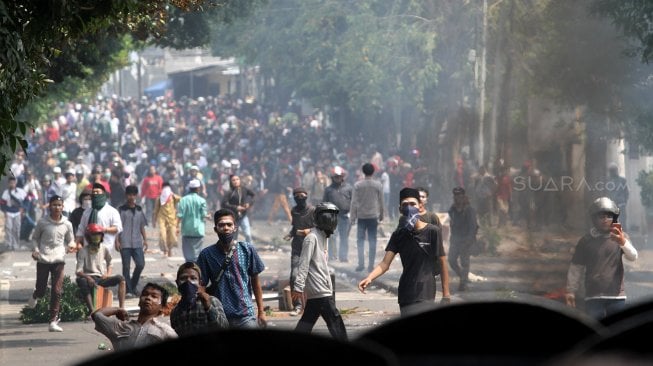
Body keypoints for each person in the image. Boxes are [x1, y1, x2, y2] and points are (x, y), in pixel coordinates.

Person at [358, 187, 450, 317]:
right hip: (405, 293)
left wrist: (446, 294)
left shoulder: (432, 232)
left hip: (425, 291)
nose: (409, 207)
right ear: (400, 209)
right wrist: (369, 278)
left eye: (413, 204)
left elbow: (442, 262)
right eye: (405, 205)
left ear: (420, 206)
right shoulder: (398, 235)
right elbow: (385, 263)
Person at [565, 196, 638, 320]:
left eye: (609, 216)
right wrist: (570, 290)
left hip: (616, 296)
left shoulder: (621, 237)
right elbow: (576, 267)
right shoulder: (586, 241)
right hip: (593, 296)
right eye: (601, 216)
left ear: (614, 218)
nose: (605, 220)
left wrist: (623, 242)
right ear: (594, 219)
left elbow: (633, 257)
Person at [196, 208, 267, 328]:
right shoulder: (206, 254)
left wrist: (261, 311)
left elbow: (255, 282)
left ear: (235, 227)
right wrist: (205, 306)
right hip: (219, 315)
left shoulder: (247, 249)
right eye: (221, 225)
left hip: (245, 315)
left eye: (229, 224)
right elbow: (201, 284)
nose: (226, 228)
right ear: (215, 229)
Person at [291, 202, 348, 341]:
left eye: (333, 217)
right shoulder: (311, 238)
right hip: (319, 289)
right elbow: (303, 264)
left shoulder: (323, 236)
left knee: (307, 322)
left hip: (320, 289)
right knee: (335, 322)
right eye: (328, 217)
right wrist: (298, 286)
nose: (331, 220)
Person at [26, 195, 76, 332]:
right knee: (42, 289)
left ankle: (53, 321)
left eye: (59, 205)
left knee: (57, 290)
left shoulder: (67, 224)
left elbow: (71, 240)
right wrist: (35, 250)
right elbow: (35, 239)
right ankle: (36, 295)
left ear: (63, 207)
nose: (57, 207)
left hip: (59, 259)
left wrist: (72, 245)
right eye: (54, 205)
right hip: (43, 258)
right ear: (49, 206)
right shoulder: (42, 222)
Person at [92, 282, 177, 352]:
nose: (148, 298)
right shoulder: (121, 327)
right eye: (145, 294)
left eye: (154, 296)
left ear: (162, 307)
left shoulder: (165, 331)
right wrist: (117, 309)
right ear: (139, 301)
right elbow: (97, 315)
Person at [75, 223, 127, 319]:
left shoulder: (104, 248)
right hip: (88, 279)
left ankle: (122, 308)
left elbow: (110, 261)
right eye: (93, 235)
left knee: (121, 279)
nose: (96, 237)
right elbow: (78, 271)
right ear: (88, 237)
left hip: (101, 278)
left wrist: (108, 273)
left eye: (98, 234)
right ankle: (92, 311)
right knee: (80, 280)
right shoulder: (83, 251)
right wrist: (88, 277)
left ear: (102, 236)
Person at [170, 262, 229, 337]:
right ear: (177, 283)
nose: (188, 282)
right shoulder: (175, 312)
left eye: (193, 278)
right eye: (183, 278)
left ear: (199, 283)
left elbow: (224, 327)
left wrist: (209, 307)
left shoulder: (212, 301)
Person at [283, 187, 316, 316]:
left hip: (311, 248)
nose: (299, 198)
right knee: (294, 276)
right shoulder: (294, 211)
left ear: (306, 196)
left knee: (313, 277)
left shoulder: (312, 210)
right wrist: (290, 234)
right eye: (297, 196)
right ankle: (297, 305)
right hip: (297, 248)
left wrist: (308, 231)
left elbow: (319, 227)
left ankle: (315, 306)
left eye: (302, 196)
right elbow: (294, 226)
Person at [350, 163, 384, 272]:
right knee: (372, 240)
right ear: (373, 172)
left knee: (360, 240)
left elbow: (354, 202)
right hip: (373, 216)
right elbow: (381, 202)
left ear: (363, 172)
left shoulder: (358, 185)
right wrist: (382, 214)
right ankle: (371, 265)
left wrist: (352, 216)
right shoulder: (378, 185)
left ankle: (361, 264)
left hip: (362, 216)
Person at [116, 185, 148, 297]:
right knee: (126, 267)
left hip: (137, 242)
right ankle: (129, 290)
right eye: (129, 194)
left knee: (140, 264)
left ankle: (133, 285)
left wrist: (145, 240)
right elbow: (117, 227)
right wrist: (117, 241)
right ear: (126, 195)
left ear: (136, 195)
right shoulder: (121, 210)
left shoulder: (139, 210)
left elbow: (142, 226)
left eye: (133, 194)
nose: (131, 197)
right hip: (124, 242)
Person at [447, 187, 479, 292]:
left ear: (463, 197)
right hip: (455, 239)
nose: (457, 198)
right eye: (456, 196)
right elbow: (451, 223)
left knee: (465, 262)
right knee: (451, 260)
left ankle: (463, 283)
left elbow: (473, 226)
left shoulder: (469, 210)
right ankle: (463, 277)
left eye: (460, 196)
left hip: (466, 239)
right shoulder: (452, 209)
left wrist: (469, 240)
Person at [76, 183, 122, 253]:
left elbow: (117, 228)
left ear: (103, 194)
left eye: (97, 192)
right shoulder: (87, 212)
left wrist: (103, 229)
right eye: (94, 192)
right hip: (88, 248)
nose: (95, 194)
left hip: (105, 247)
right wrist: (78, 243)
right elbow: (81, 229)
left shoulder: (112, 211)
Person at [322, 166, 353, 262]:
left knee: (344, 237)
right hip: (332, 216)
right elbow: (324, 203)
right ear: (332, 177)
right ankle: (332, 256)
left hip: (344, 216)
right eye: (336, 176)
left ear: (343, 177)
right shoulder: (328, 189)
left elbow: (353, 202)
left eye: (339, 176)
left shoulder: (348, 188)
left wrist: (352, 214)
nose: (338, 178)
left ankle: (343, 257)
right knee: (332, 237)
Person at [177, 179, 208, 262]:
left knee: (188, 256)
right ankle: (196, 271)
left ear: (189, 188)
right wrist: (208, 216)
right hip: (198, 230)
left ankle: (188, 269)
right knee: (197, 255)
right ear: (198, 189)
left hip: (186, 230)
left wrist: (176, 227)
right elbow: (203, 215)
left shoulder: (182, 200)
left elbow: (180, 215)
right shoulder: (202, 201)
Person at [221, 174, 256, 244]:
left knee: (248, 235)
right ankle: (233, 253)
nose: (236, 181)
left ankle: (251, 251)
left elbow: (253, 195)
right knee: (234, 238)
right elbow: (224, 204)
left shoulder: (244, 189)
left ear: (240, 180)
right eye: (233, 180)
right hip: (233, 218)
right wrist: (236, 207)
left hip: (243, 216)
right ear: (231, 182)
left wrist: (248, 203)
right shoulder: (230, 192)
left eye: (237, 179)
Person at [153, 181, 181, 257]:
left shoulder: (174, 197)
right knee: (163, 235)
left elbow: (183, 200)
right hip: (162, 219)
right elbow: (155, 210)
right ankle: (165, 250)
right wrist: (154, 221)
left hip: (172, 219)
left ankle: (170, 250)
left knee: (172, 236)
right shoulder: (159, 198)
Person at [1, 176, 27, 250]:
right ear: (8, 184)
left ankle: (15, 244)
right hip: (9, 212)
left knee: (16, 229)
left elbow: (26, 200)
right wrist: (5, 211)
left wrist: (23, 209)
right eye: (10, 183)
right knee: (9, 228)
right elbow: (2, 203)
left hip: (17, 212)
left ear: (15, 183)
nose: (12, 184)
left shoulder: (21, 192)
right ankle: (9, 244)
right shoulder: (6, 192)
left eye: (13, 183)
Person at [606, 162, 629, 230]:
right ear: (609, 171)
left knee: (623, 220)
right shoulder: (606, 180)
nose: (613, 171)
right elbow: (605, 192)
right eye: (611, 170)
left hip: (621, 203)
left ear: (617, 170)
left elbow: (626, 192)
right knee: (611, 220)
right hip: (611, 204)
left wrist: (624, 200)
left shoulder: (622, 180)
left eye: (614, 170)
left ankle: (624, 235)